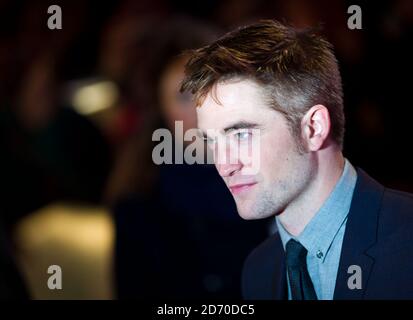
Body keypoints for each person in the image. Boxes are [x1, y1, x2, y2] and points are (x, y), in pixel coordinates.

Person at [180, 19, 413, 300]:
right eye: (212, 142)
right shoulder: (258, 271)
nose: (225, 165)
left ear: (313, 128)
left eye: (241, 135)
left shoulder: (407, 241)